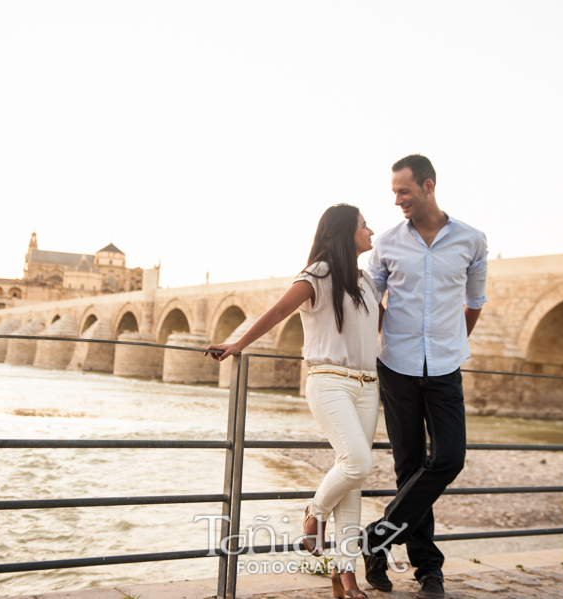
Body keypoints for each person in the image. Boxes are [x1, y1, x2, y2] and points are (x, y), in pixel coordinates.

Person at [207, 203, 379, 599]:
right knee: (357, 462)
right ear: (342, 232)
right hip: (329, 381)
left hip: (368, 386)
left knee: (352, 481)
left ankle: (345, 572)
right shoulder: (318, 275)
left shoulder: (367, 281)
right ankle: (314, 513)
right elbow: (280, 310)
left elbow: (382, 325)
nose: (371, 231)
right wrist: (238, 344)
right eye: (364, 225)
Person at [363, 155, 488, 599]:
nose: (398, 200)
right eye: (395, 193)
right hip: (395, 365)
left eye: (404, 191)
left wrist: (451, 343)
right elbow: (368, 300)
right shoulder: (389, 244)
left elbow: (475, 301)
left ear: (428, 186)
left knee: (450, 457)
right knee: (409, 468)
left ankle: (375, 538)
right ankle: (428, 571)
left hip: (444, 367)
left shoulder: (472, 240)